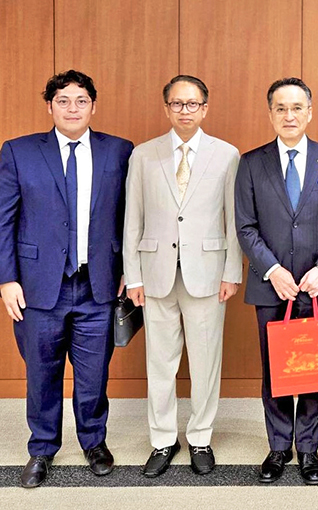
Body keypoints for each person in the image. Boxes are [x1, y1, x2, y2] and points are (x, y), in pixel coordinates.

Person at [0, 70, 133, 488]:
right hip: (38, 285)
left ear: (93, 106)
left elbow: (131, 217)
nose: (72, 108)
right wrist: (7, 279)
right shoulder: (18, 151)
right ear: (50, 107)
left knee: (94, 374)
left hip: (99, 283)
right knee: (42, 373)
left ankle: (94, 441)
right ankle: (42, 448)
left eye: (80, 100)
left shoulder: (119, 151)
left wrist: (130, 270)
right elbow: (4, 220)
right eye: (63, 100)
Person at [235, 77, 318, 485]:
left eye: (297, 107)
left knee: (314, 369)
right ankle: (278, 447)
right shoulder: (251, 163)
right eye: (281, 108)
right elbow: (246, 226)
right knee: (277, 369)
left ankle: (308, 449)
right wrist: (273, 270)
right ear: (270, 113)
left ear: (310, 112)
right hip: (272, 284)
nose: (289, 115)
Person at [123, 75, 242, 477]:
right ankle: (162, 440)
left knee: (206, 362)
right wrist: (133, 276)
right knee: (160, 363)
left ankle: (200, 437)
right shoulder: (143, 155)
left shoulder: (227, 154)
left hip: (208, 273)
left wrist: (232, 271)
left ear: (205, 108)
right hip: (155, 273)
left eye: (192, 104)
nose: (184, 111)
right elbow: (133, 219)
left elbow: (233, 219)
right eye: (177, 103)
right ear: (166, 108)